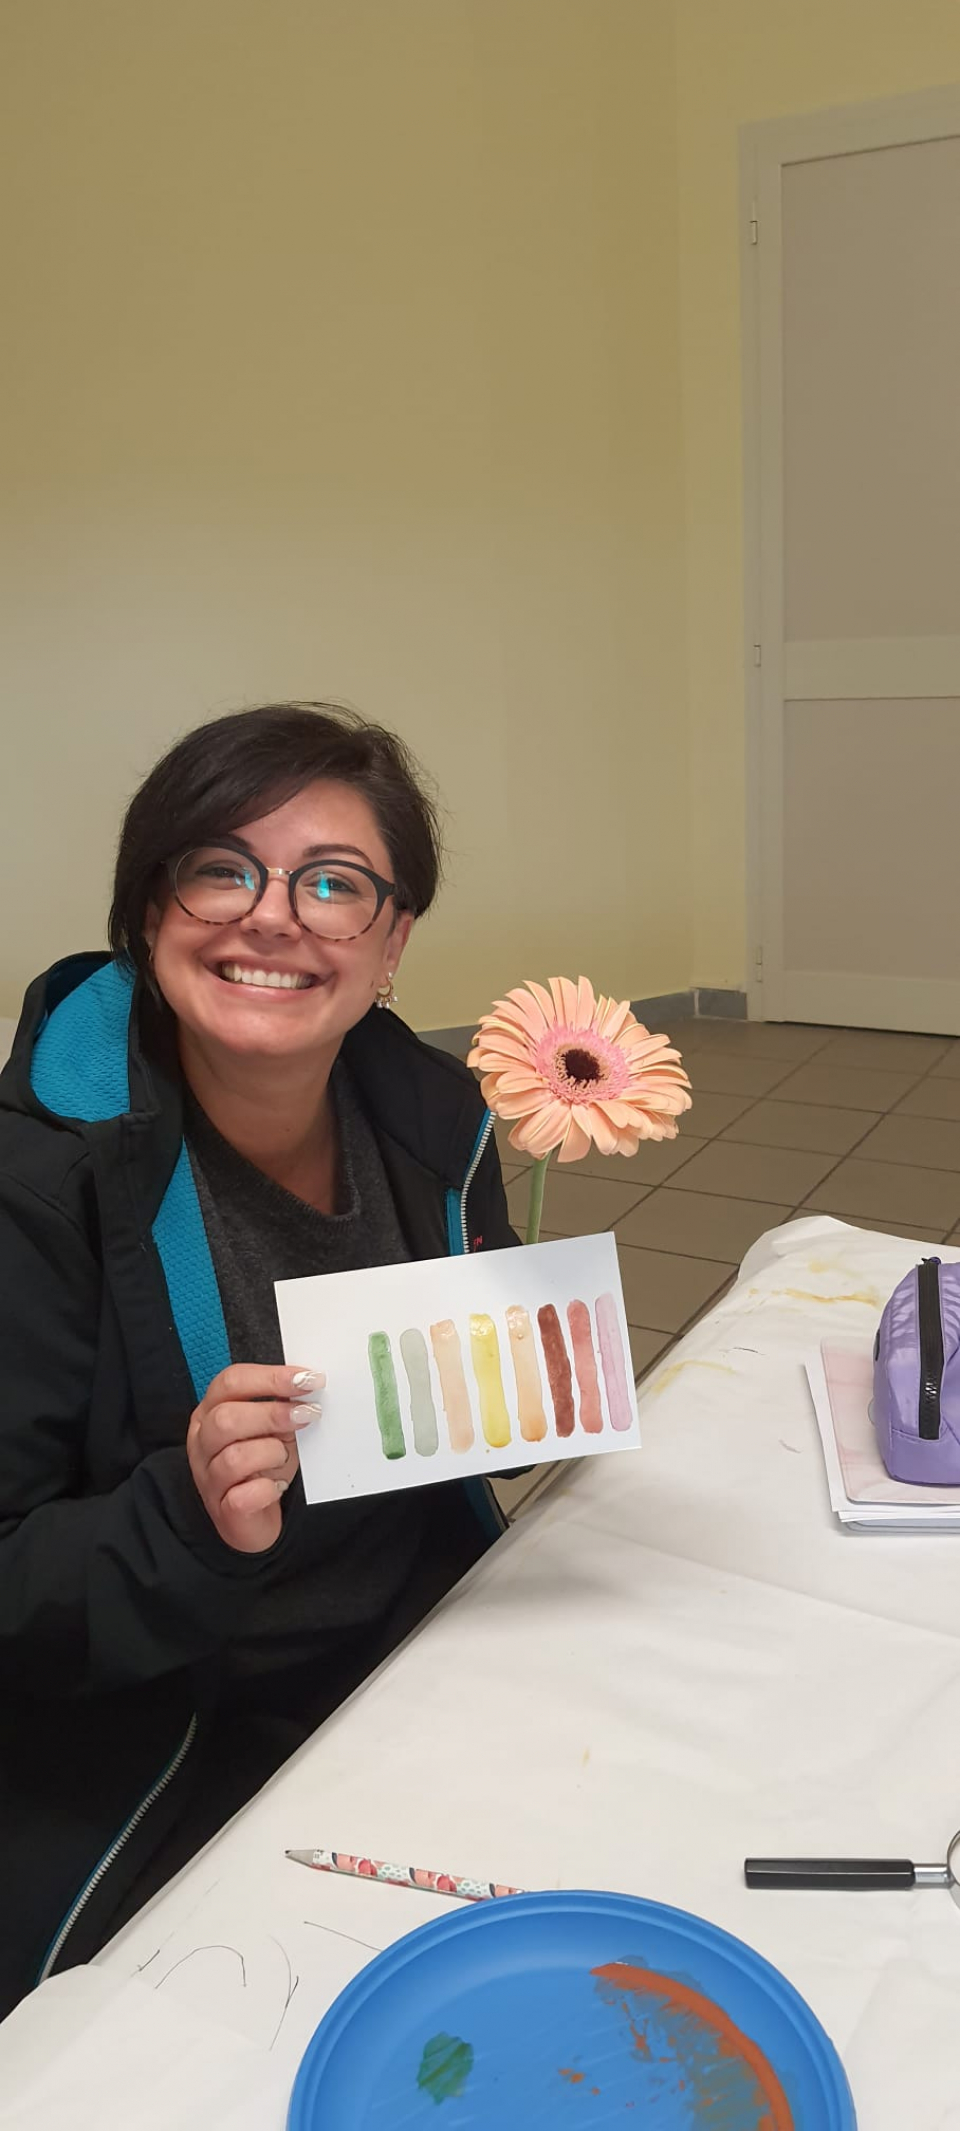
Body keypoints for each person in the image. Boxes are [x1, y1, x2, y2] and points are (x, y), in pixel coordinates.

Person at [0, 702, 515, 2015]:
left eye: (334, 884)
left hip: (415, 1654)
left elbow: (461, 1416)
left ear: (391, 941)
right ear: (150, 909)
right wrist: (186, 1517)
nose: (272, 917)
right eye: (220, 868)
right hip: (162, 1735)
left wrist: (529, 1381)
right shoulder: (36, 1185)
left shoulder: (435, 1120)